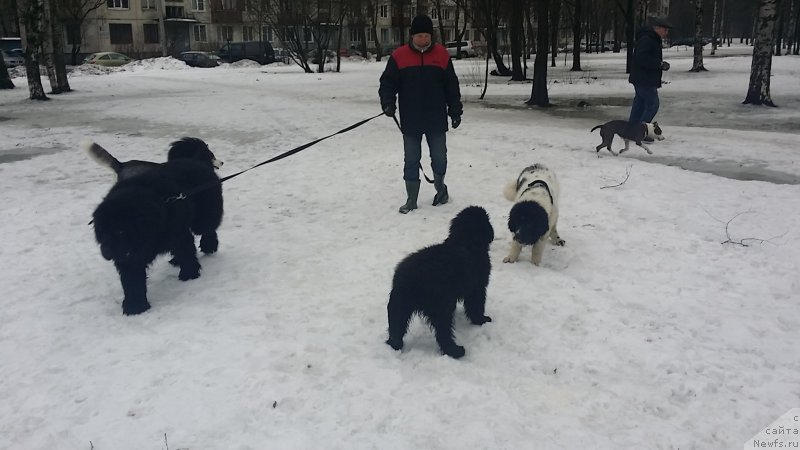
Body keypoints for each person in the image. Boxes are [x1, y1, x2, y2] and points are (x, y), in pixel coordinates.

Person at [379, 14, 463, 214]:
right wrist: (388, 103)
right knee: (412, 159)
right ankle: (411, 199)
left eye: (427, 35)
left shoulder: (441, 55)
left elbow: (451, 86)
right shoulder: (399, 56)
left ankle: (440, 190)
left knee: (440, 158)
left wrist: (455, 111)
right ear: (412, 36)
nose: (423, 39)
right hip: (411, 119)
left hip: (436, 118)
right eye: (420, 36)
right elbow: (387, 84)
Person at [628, 17, 672, 142]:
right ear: (657, 28)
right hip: (644, 79)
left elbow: (644, 58)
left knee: (640, 104)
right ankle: (641, 131)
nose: (666, 33)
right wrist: (658, 64)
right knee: (652, 104)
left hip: (643, 78)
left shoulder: (651, 39)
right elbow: (641, 58)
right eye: (665, 30)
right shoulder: (648, 40)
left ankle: (631, 130)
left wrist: (660, 64)